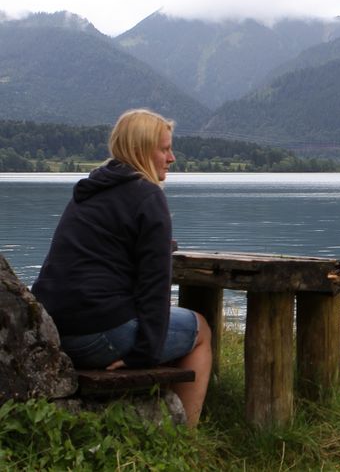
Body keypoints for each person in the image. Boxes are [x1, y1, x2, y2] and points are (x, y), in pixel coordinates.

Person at [31, 108, 211, 428]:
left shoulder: (90, 191)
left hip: (53, 330)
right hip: (97, 334)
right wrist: (142, 354)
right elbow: (155, 288)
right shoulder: (147, 196)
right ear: (141, 150)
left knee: (158, 325)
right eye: (164, 149)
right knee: (201, 329)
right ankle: (187, 438)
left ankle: (161, 413)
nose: (171, 158)